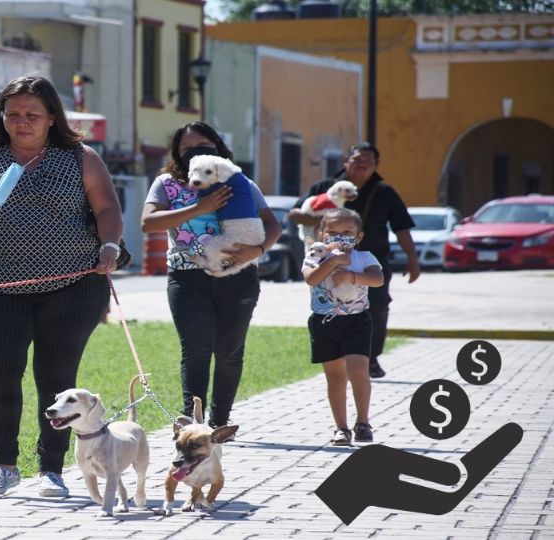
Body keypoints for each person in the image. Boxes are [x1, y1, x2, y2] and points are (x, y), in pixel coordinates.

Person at [0, 75, 123, 498]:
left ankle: (51, 471)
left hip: (73, 284)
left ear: (51, 117)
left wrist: (109, 245)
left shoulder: (80, 157)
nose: (22, 122)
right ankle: (4, 466)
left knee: (56, 376)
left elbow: (108, 207)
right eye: (13, 113)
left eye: (32, 114)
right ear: (1, 116)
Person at [140, 122, 281, 429]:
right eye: (188, 148)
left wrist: (256, 251)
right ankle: (193, 421)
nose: (197, 152)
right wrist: (199, 207)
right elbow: (148, 223)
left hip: (238, 276)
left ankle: (219, 423)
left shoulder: (239, 181)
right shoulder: (166, 184)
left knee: (229, 350)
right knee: (196, 348)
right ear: (178, 154)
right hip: (187, 278)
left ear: (218, 147)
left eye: (204, 144)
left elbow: (273, 225)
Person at [289, 142, 419, 378]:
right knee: (331, 306)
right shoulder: (326, 187)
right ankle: (337, 358)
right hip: (327, 262)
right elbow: (294, 213)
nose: (361, 165)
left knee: (377, 307)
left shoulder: (383, 191)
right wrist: (313, 221)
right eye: (357, 160)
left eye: (367, 162)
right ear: (346, 161)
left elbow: (401, 227)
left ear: (375, 166)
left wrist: (412, 258)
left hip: (371, 260)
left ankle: (370, 357)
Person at [302, 208, 384, 445]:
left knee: (359, 371)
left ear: (358, 236)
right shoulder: (314, 256)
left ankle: (363, 422)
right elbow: (312, 278)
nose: (340, 236)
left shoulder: (364, 257)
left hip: (357, 322)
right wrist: (334, 260)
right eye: (333, 232)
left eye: (347, 232)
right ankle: (341, 428)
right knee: (335, 378)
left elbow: (378, 279)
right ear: (322, 234)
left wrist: (352, 276)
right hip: (324, 323)